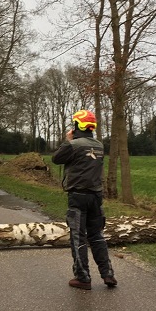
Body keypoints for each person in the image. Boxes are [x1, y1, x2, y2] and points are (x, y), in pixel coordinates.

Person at [52, 110, 117, 290]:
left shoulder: (73, 145)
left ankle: (83, 277)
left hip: (78, 197)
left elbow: (56, 159)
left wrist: (68, 140)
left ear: (77, 125)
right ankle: (108, 273)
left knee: (78, 237)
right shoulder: (99, 146)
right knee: (97, 236)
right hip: (96, 197)